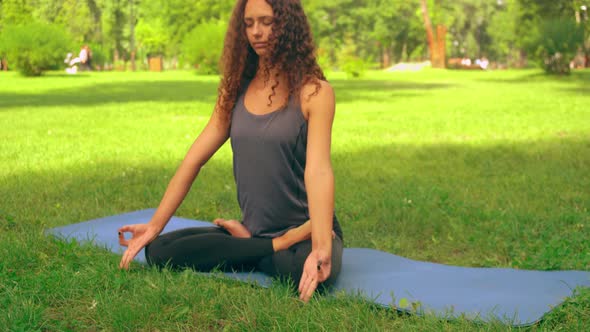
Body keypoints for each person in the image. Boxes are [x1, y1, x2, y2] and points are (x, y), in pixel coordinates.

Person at [118, 0, 343, 302]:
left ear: (288, 25)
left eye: (267, 22)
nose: (256, 32)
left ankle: (259, 246)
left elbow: (318, 171)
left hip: (308, 228)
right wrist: (156, 224)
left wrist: (321, 244)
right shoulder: (237, 88)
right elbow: (194, 159)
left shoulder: (314, 92)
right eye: (249, 24)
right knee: (159, 250)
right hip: (259, 231)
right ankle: (264, 244)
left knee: (302, 273)